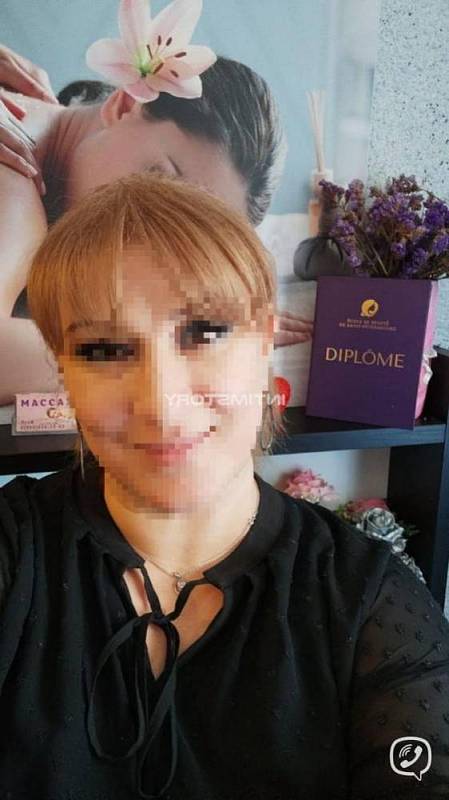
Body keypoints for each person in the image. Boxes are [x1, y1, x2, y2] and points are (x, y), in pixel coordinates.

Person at [1, 172, 449, 800]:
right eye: (103, 350)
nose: (163, 405)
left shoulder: (370, 602)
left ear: (265, 340)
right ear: (62, 371)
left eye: (205, 333)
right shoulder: (12, 548)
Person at [0, 43, 312, 405]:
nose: (149, 232)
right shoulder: (15, 182)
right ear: (125, 104)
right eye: (157, 179)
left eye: (184, 233)